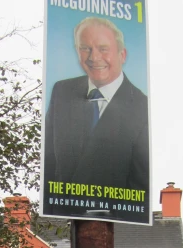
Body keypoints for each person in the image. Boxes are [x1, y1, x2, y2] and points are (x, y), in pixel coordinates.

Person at [44, 16, 149, 201]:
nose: (94, 57)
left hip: (111, 218)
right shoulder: (61, 91)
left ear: (122, 55)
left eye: (103, 49)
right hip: (64, 222)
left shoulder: (141, 107)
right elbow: (50, 165)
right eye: (85, 49)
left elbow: (139, 192)